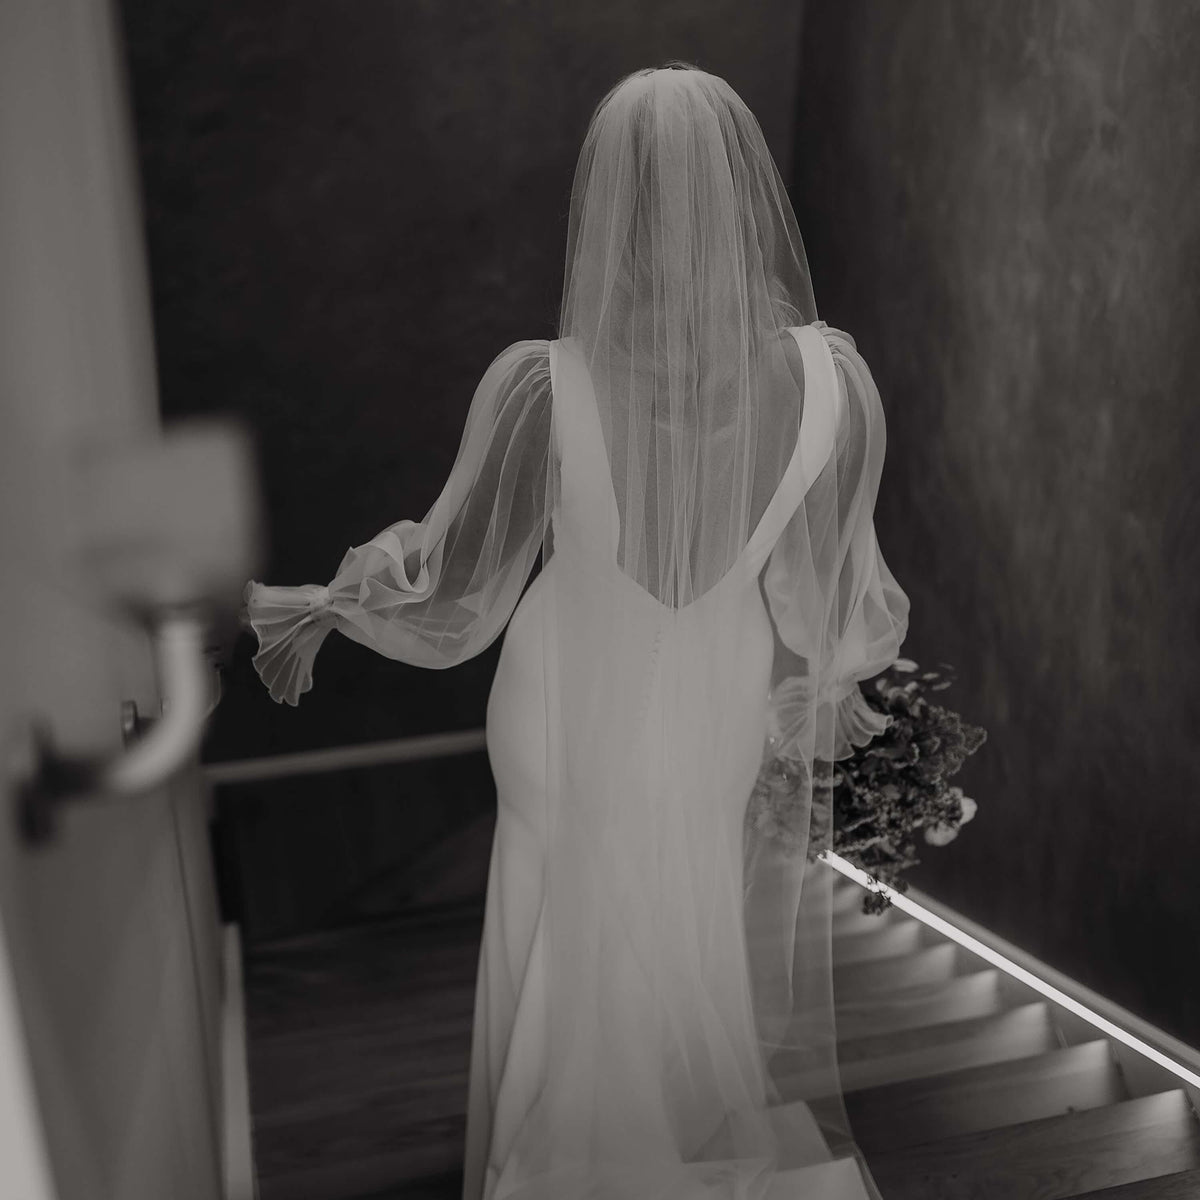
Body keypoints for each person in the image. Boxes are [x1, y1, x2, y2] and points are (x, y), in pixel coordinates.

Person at [243, 62, 909, 1200]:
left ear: (612, 210)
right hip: (716, 703)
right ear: (743, 194)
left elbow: (459, 581)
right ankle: (667, 1134)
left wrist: (336, 598)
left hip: (561, 703)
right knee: (685, 913)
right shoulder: (833, 383)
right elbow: (821, 600)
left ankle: (557, 1158)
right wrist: (828, 682)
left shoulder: (542, 387)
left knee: (557, 922)